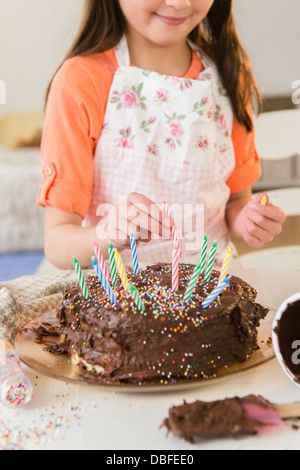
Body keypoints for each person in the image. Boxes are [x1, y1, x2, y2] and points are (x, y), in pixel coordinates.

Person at [37, 0, 286, 271]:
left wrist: (248, 218)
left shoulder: (229, 76)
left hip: (211, 291)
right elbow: (58, 242)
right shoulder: (81, 81)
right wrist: (110, 234)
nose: (179, 3)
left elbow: (236, 200)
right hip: (118, 300)